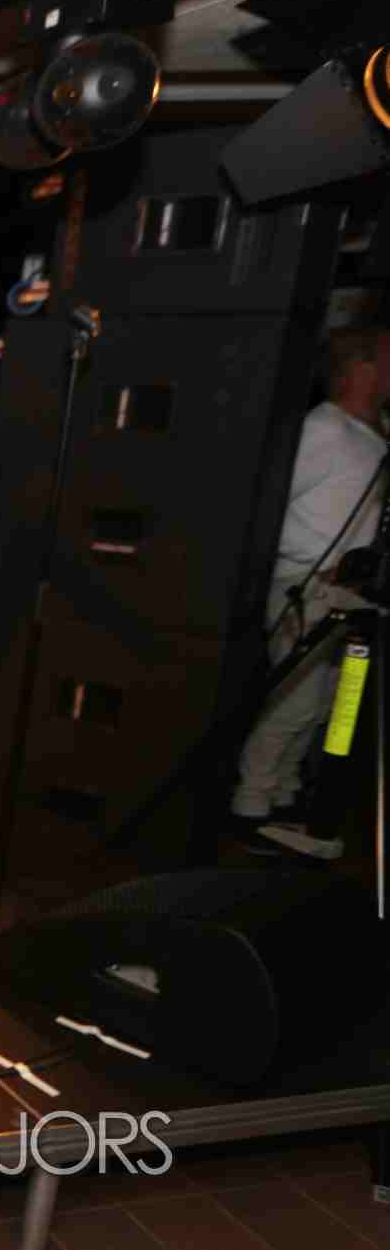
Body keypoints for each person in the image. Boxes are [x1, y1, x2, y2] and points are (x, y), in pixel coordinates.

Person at [231, 326, 390, 861]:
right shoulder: (322, 431)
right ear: (362, 366)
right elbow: (266, 506)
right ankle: (250, 807)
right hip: (310, 589)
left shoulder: (373, 436)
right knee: (295, 703)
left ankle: (284, 797)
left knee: (327, 710)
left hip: (356, 598)